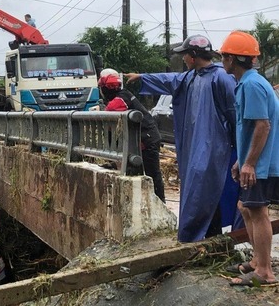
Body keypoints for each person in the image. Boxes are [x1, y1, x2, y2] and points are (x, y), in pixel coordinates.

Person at [125, 34, 238, 242]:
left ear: (193, 56)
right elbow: (169, 80)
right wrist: (143, 77)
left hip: (215, 148)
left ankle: (202, 237)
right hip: (196, 147)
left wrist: (236, 146)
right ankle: (208, 238)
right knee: (200, 190)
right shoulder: (190, 78)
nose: (183, 60)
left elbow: (234, 113)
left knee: (207, 189)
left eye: (185, 55)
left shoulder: (221, 78)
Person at [220, 31, 279, 287]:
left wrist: (250, 163)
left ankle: (264, 272)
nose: (222, 61)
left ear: (232, 59)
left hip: (262, 164)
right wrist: (240, 160)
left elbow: (262, 126)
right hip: (257, 160)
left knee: (257, 210)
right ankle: (257, 261)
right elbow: (249, 127)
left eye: (223, 56)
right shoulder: (249, 82)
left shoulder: (252, 85)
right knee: (245, 207)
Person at [98, 71, 165, 202]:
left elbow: (106, 116)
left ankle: (160, 202)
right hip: (144, 138)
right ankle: (146, 201)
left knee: (152, 173)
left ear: (104, 88)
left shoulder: (119, 100)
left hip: (147, 139)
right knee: (139, 172)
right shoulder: (125, 95)